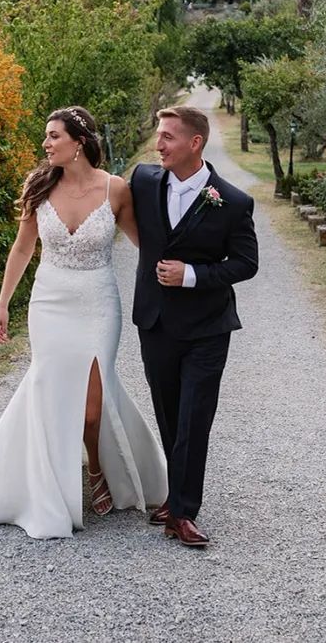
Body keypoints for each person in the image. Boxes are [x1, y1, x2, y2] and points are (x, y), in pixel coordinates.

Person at [0, 106, 167, 539]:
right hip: (49, 302)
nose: (45, 144)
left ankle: (99, 467)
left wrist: (178, 280)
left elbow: (147, 247)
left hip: (99, 302)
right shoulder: (38, 187)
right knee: (50, 391)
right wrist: (2, 304)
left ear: (78, 142)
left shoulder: (116, 191)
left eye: (53, 136)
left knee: (92, 404)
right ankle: (51, 489)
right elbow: (22, 250)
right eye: (45, 137)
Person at [129, 106, 258, 547]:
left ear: (194, 143)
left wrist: (193, 275)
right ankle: (175, 494)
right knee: (168, 416)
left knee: (194, 420)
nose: (158, 144)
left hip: (207, 326)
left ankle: (183, 513)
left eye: (167, 136)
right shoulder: (144, 182)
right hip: (156, 322)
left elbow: (246, 264)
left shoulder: (233, 202)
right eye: (158, 135)